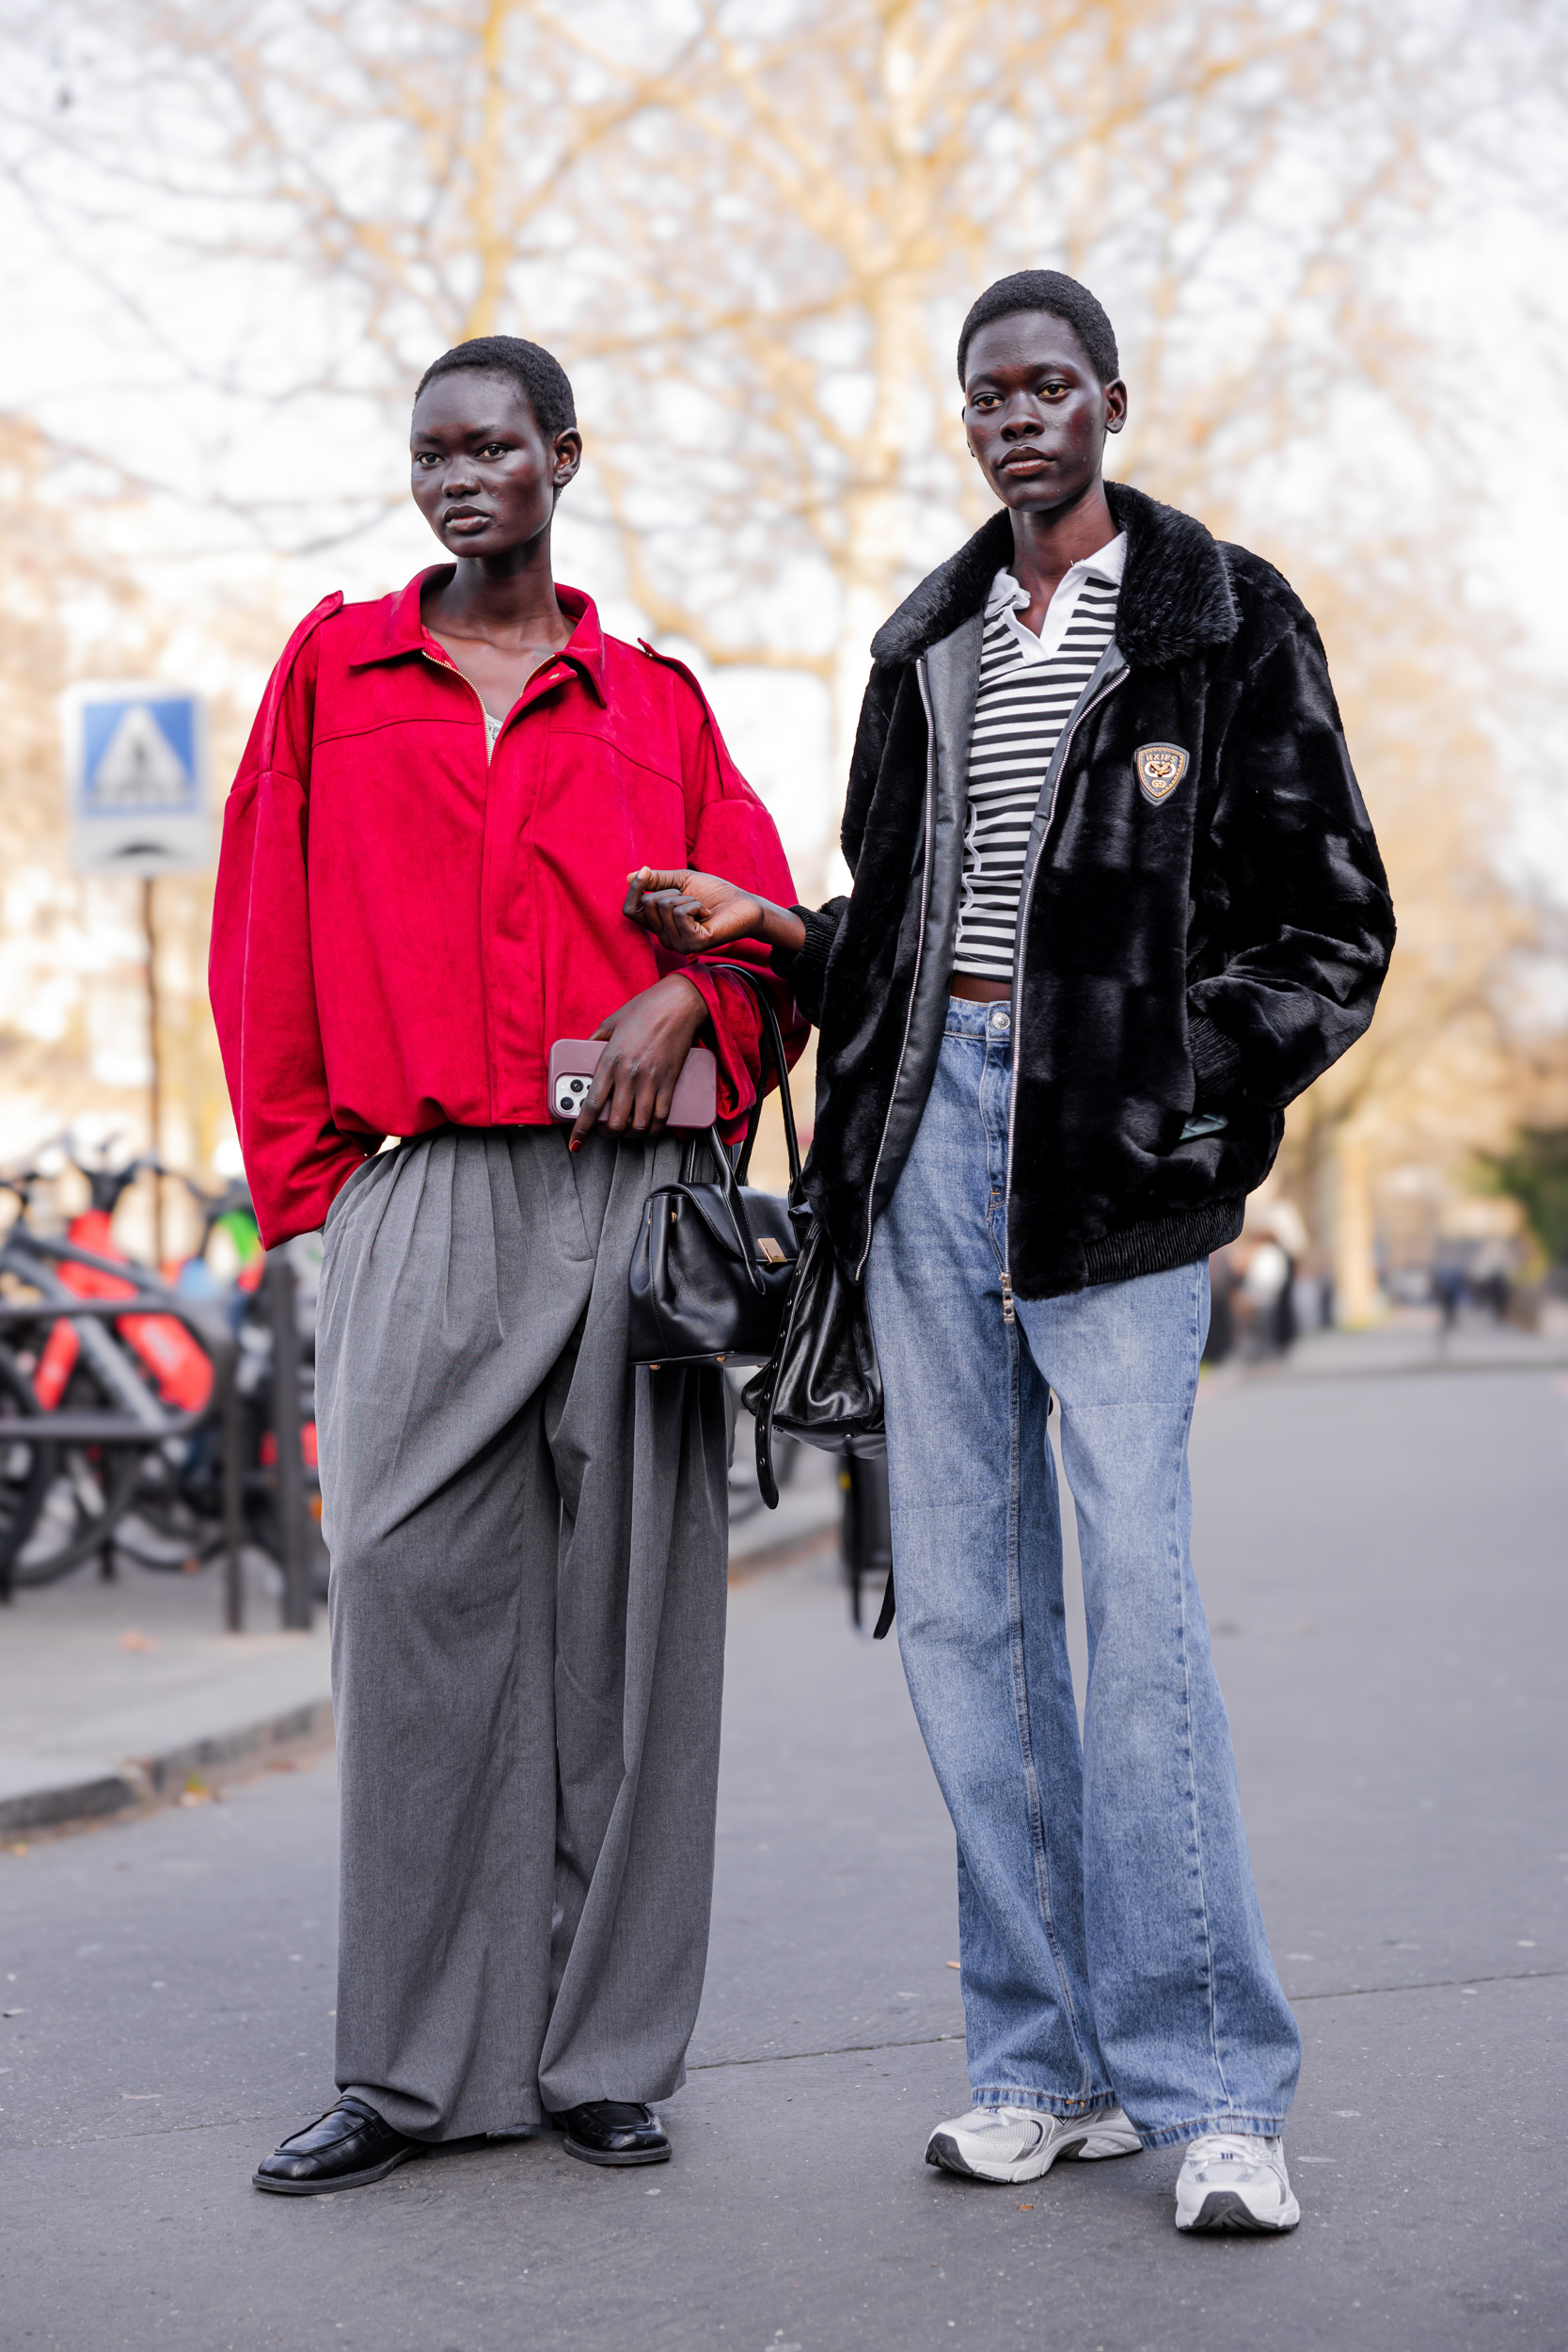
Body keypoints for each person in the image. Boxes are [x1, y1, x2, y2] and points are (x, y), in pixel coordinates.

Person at [621, 271, 1395, 2235]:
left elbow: (1332, 927)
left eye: (1049, 386)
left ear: (1113, 402)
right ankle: (1042, 2066)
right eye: (986, 395)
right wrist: (782, 936)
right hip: (924, 1148)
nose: (1016, 416)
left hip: (1112, 1168)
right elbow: (903, 928)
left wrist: (1176, 1085)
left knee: (1137, 1607)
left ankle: (1213, 2089)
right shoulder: (930, 639)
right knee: (969, 1619)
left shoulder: (1223, 618)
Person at [210, 334, 802, 2194]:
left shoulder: (657, 702)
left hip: (634, 1199)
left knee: (633, 1631)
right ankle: (406, 2069)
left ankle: (603, 2055)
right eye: (430, 453)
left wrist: (693, 997)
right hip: (426, 1193)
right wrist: (323, 1192)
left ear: (564, 455)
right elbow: (258, 928)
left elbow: (770, 931)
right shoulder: (334, 672)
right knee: (403, 1601)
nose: (459, 478)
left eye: (492, 447)